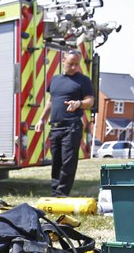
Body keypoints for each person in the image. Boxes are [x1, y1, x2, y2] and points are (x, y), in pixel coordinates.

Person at [34, 51, 94, 197]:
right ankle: (55, 192)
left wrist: (79, 103)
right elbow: (51, 100)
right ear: (63, 61)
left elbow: (90, 101)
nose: (74, 67)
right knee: (56, 161)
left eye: (76, 64)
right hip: (55, 127)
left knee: (68, 162)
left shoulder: (84, 80)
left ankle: (62, 194)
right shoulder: (55, 80)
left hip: (72, 127)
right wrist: (42, 119)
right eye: (70, 64)